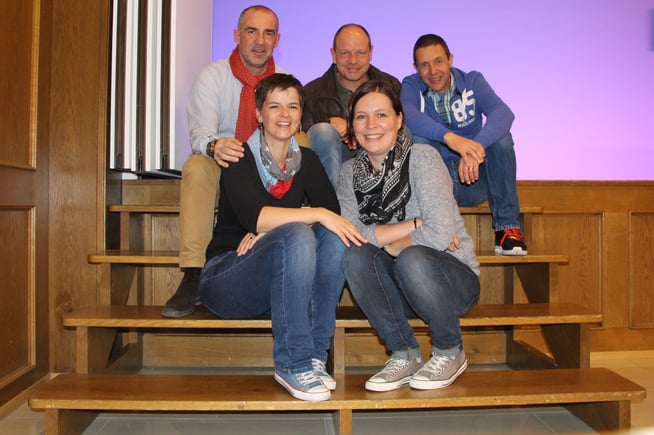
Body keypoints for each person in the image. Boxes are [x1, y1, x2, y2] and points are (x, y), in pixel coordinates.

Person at [199, 73, 366, 401]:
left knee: (333, 237)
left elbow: (331, 216)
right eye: (274, 106)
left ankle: (315, 355)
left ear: (301, 114)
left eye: (292, 106)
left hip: (278, 283)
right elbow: (257, 217)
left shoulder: (307, 160)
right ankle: (293, 362)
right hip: (226, 277)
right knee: (298, 232)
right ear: (259, 114)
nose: (284, 114)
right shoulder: (238, 157)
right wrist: (302, 218)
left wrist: (272, 233)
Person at [337, 80, 480, 392]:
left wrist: (393, 246)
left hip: (451, 284)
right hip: (399, 288)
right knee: (355, 256)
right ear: (352, 125)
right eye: (361, 117)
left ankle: (450, 350)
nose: (371, 125)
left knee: (412, 257)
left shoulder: (423, 158)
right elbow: (356, 234)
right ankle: (404, 354)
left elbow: (440, 233)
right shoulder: (348, 174)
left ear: (399, 119)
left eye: (381, 115)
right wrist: (416, 223)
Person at [163, 5, 296, 318]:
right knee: (196, 165)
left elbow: (291, 133)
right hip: (225, 163)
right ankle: (194, 272)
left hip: (267, 167)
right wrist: (215, 145)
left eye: (268, 33)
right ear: (237, 35)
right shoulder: (212, 77)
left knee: (301, 143)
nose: (260, 41)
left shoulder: (286, 81)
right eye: (252, 31)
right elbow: (201, 134)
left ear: (277, 40)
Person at [400, 34, 527, 256]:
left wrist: (474, 148)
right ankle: (431, 227)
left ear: (450, 59)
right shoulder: (410, 85)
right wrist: (452, 139)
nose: (433, 71)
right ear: (416, 68)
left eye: (438, 61)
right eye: (424, 65)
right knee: (417, 139)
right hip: (434, 186)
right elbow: (409, 116)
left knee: (502, 138)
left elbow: (503, 113)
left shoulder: (472, 81)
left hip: (473, 179)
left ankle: (507, 229)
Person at [302, 23, 401, 188]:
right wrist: (329, 124)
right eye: (345, 53)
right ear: (333, 55)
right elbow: (300, 138)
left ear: (370, 53)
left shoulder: (391, 86)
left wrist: (351, 127)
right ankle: (335, 203)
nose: (353, 60)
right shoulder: (311, 93)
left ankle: (393, 196)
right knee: (323, 131)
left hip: (380, 171)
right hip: (335, 176)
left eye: (360, 53)